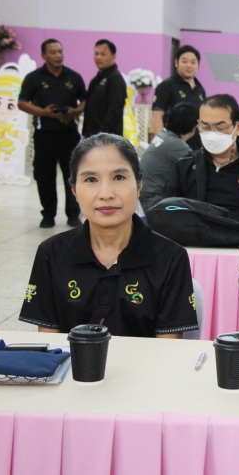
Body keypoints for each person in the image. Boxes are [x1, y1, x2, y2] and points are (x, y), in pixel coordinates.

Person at [18, 134, 199, 338]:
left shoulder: (170, 258)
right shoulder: (51, 254)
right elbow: (49, 345)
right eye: (91, 180)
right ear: (74, 190)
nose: (106, 194)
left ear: (139, 184)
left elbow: (168, 348)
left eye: (119, 177)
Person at [169, 94, 239, 222]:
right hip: (197, 234)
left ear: (238, 128)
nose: (212, 133)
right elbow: (169, 214)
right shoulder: (185, 167)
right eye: (205, 126)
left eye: (220, 127)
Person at [18, 39, 87, 229]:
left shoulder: (74, 77)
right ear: (44, 55)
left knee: (72, 176)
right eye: (53, 52)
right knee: (44, 176)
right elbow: (22, 102)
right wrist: (43, 112)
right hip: (44, 135)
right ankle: (48, 215)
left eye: (60, 51)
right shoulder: (33, 78)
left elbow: (85, 100)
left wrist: (74, 111)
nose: (58, 56)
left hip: (69, 135)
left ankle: (73, 215)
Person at [139, 102, 197, 210]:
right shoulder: (177, 145)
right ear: (193, 128)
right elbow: (198, 167)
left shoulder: (163, 135)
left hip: (143, 195)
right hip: (153, 202)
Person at [152, 45, 206, 151]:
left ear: (198, 64)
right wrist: (162, 145)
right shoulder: (166, 86)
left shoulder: (200, 89)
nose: (189, 65)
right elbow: (157, 116)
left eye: (193, 62)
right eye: (184, 61)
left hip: (196, 145)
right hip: (173, 144)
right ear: (176, 62)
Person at [83, 39, 127, 137]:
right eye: (96, 54)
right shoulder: (95, 80)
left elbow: (114, 109)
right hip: (92, 136)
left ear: (113, 57)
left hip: (107, 137)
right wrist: (85, 133)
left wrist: (102, 132)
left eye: (103, 54)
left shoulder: (115, 78)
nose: (99, 57)